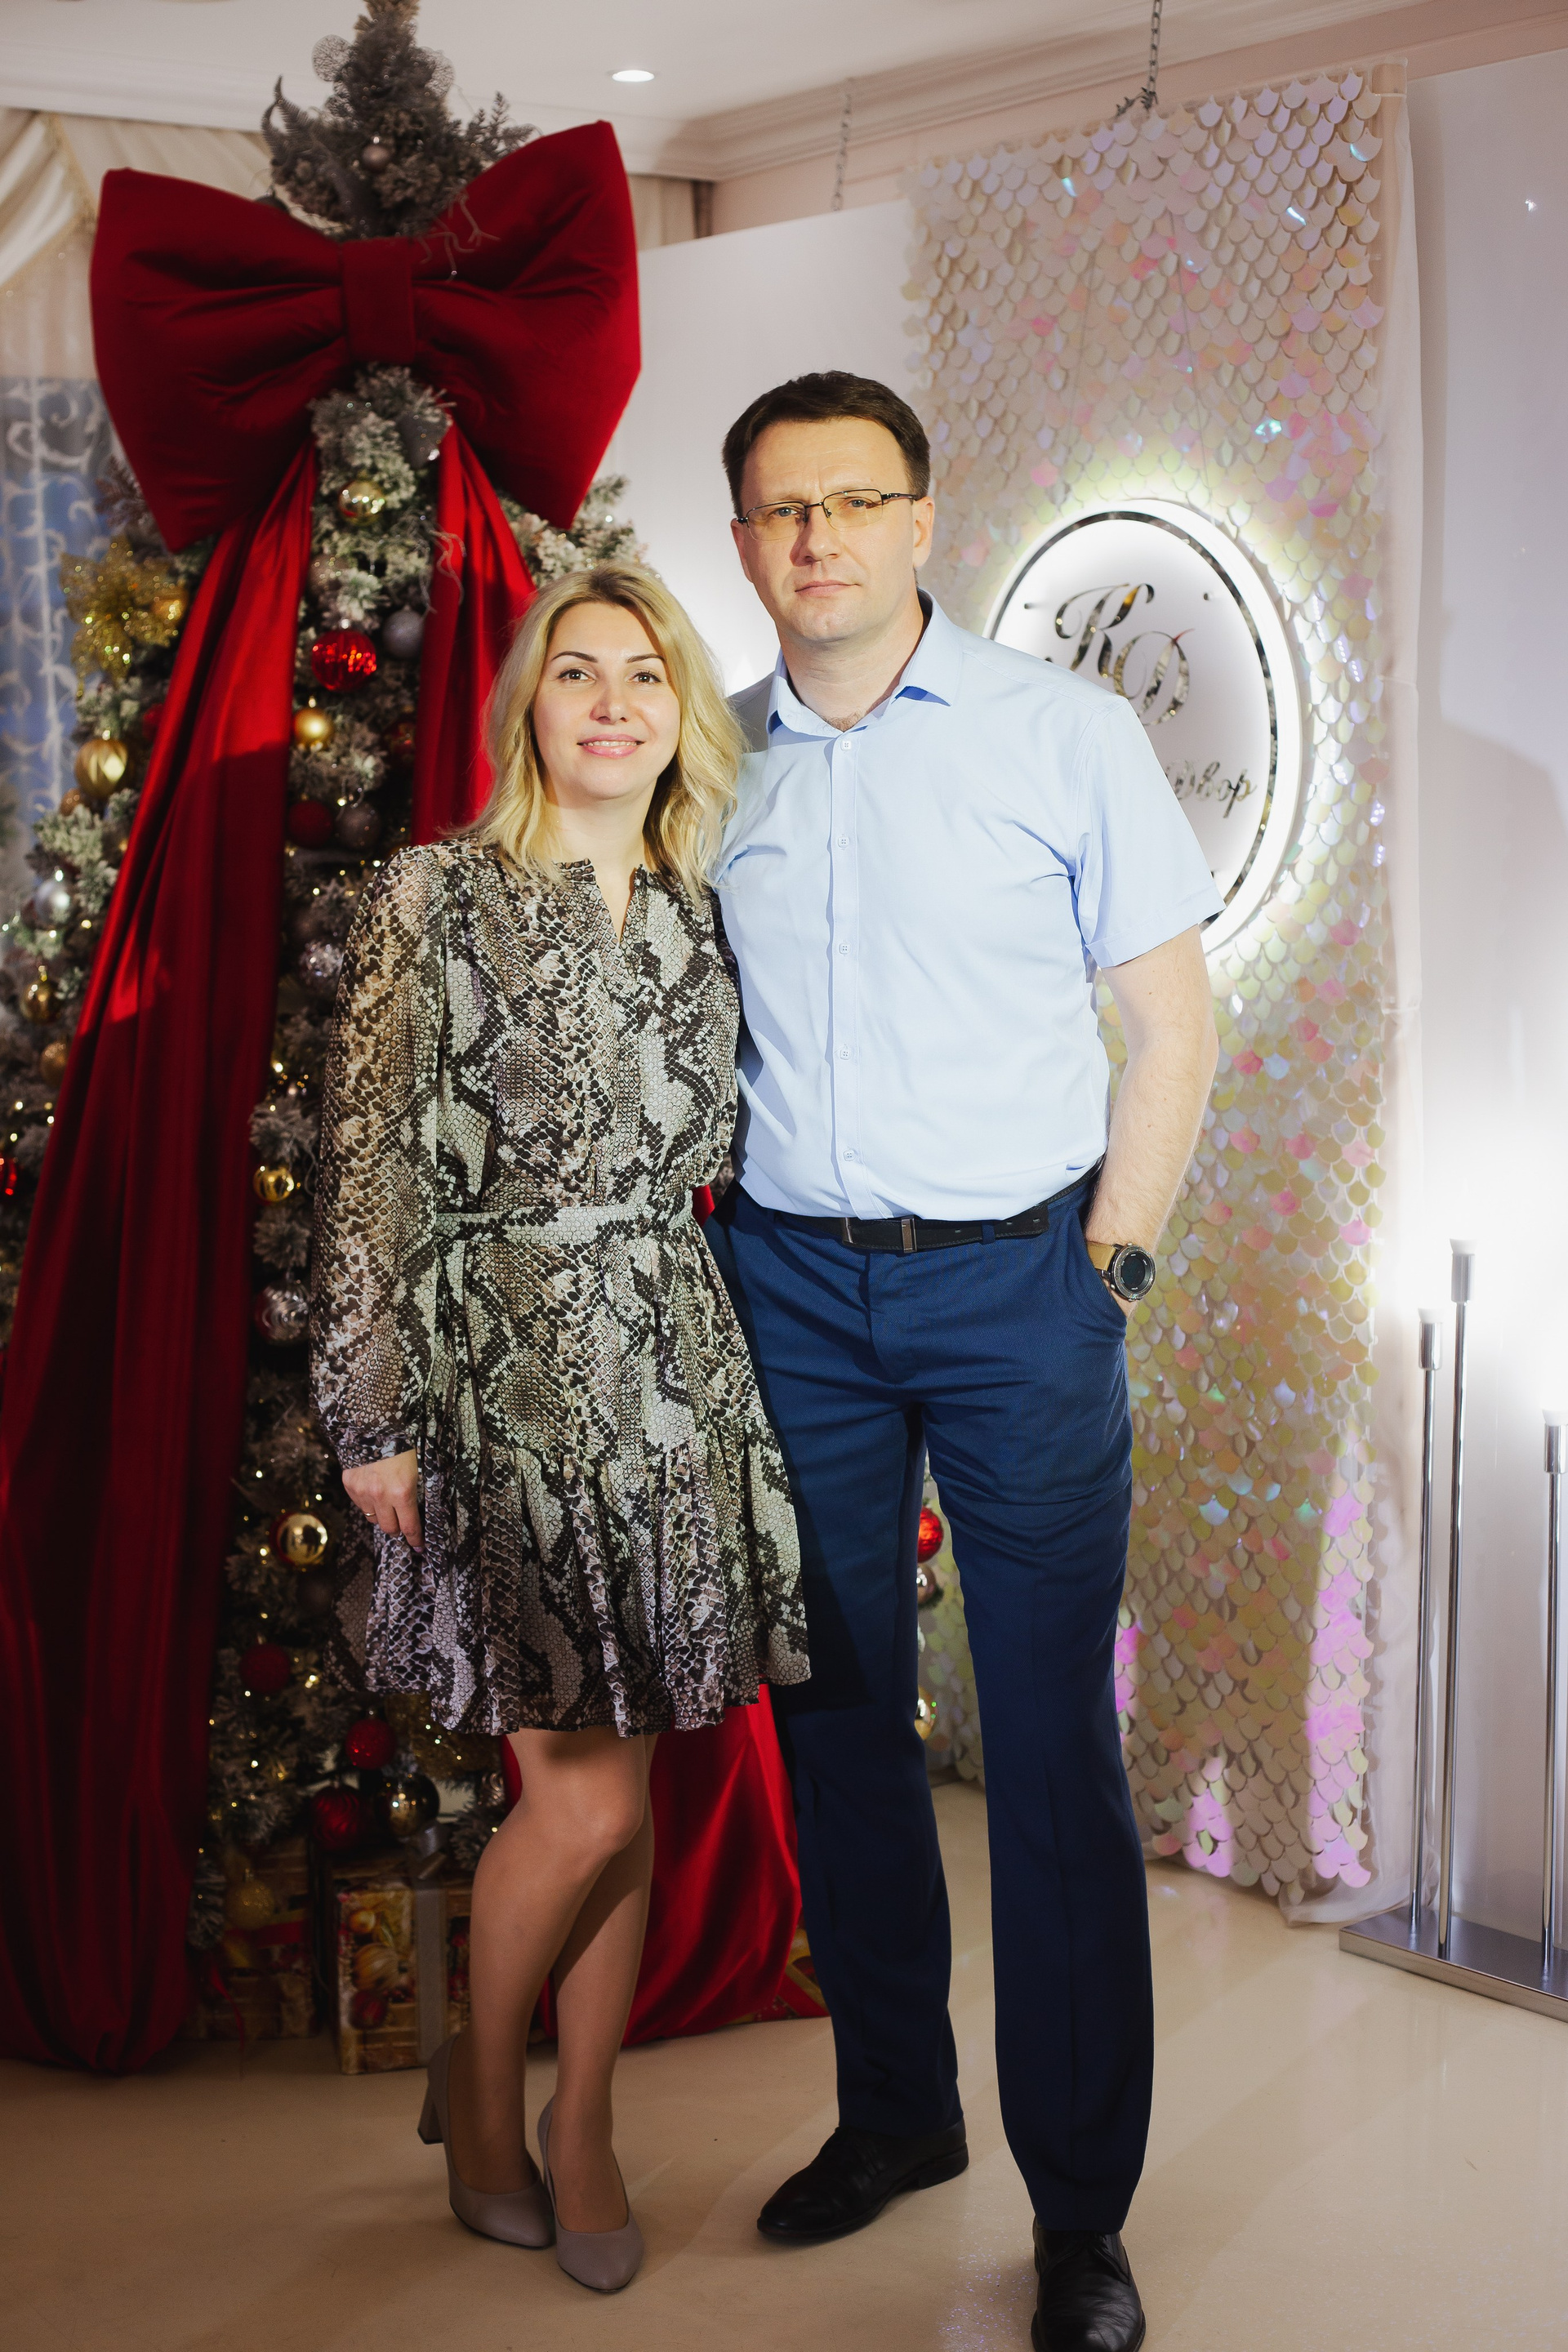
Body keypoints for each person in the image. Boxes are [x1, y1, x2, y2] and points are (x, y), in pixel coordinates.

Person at [703, 372, 1221, 2352]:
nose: (818, 537)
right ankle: (897, 2115)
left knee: (1051, 1749)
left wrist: (1110, 1269)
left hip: (1022, 1292)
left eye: (855, 500)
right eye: (783, 509)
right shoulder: (713, 764)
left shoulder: (1060, 733)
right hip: (794, 1298)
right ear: (743, 545)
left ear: (923, 521)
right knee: (836, 1720)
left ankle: (1080, 2212)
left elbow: (1170, 1024)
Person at [310, 562, 809, 2296]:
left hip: (670, 1367)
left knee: (632, 1777)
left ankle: (579, 2116)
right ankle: (481, 2081)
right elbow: (369, 1163)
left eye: (646, 677)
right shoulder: (434, 895)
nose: (612, 702)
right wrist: (370, 1408)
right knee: (578, 1802)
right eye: (579, 671)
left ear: (681, 717)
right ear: (529, 700)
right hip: (496, 1377)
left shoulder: (700, 907)